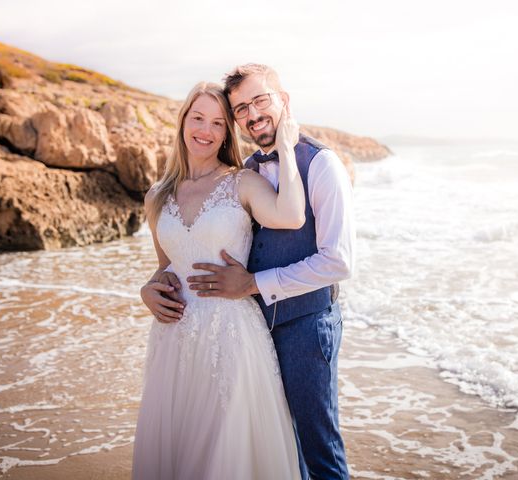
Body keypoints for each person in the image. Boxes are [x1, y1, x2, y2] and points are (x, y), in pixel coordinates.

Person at [153, 64, 354, 480]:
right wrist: (151, 285)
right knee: (280, 445)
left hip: (305, 325)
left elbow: (338, 261)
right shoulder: (244, 170)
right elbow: (184, 256)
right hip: (250, 327)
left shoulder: (322, 164)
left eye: (261, 100)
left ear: (284, 100)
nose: (253, 113)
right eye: (242, 107)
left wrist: (253, 284)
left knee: (319, 449)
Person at [133, 81, 304, 480]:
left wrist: (287, 147)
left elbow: (292, 215)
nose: (205, 131)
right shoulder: (157, 195)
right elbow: (167, 266)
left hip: (229, 336)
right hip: (173, 340)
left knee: (224, 457)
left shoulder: (241, 182)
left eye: (217, 123)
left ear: (228, 132)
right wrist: (146, 291)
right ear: (183, 122)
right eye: (198, 118)